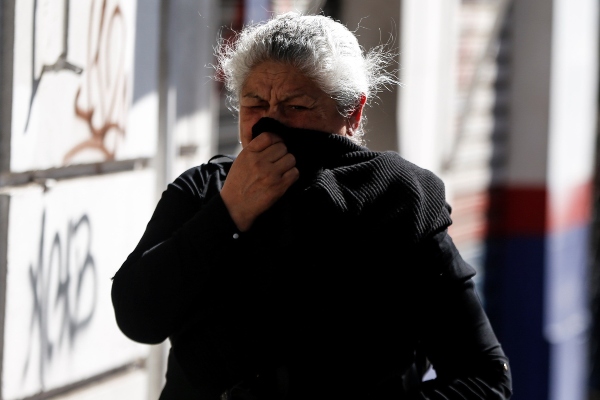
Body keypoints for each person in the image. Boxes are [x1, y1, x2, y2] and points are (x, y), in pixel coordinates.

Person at [111, 11, 513, 400]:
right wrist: (228, 213)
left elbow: (484, 376)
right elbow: (139, 317)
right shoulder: (204, 190)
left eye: (296, 107)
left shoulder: (398, 200)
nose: (270, 124)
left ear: (353, 113)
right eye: (254, 104)